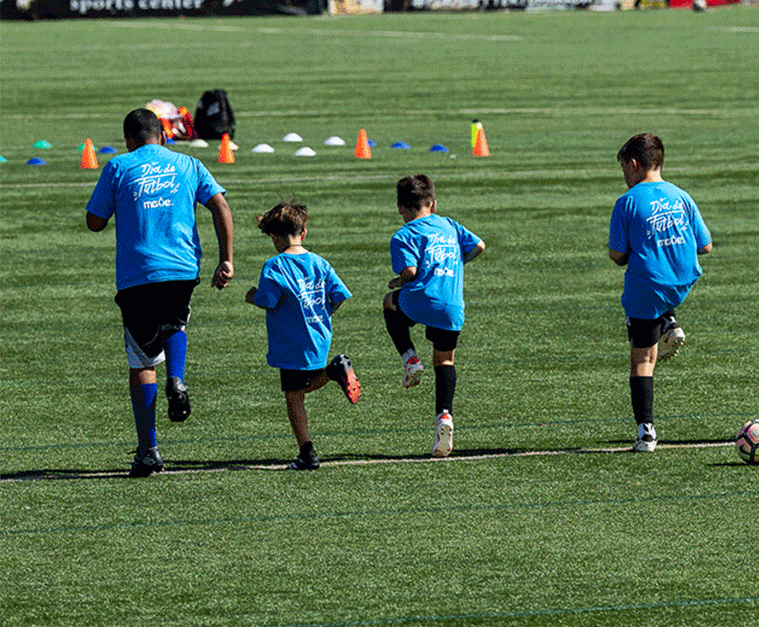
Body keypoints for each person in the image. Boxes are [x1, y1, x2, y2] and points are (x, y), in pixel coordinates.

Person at [86, 108, 234, 477]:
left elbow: (94, 222)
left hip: (138, 274)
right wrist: (226, 259)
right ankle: (178, 377)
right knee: (175, 324)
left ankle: (149, 450)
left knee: (142, 361)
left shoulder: (118, 167)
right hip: (181, 268)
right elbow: (220, 205)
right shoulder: (188, 163)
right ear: (163, 136)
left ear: (128, 141)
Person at [608, 133, 712, 452]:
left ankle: (646, 432)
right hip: (683, 280)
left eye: (625, 168)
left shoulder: (627, 201)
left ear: (635, 164)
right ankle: (669, 319)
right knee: (660, 294)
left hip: (648, 286)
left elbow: (617, 255)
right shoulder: (682, 196)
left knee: (643, 360)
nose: (625, 176)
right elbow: (705, 245)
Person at [245, 200, 359, 470]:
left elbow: (268, 300)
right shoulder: (319, 262)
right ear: (303, 232)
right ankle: (335, 370)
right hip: (319, 335)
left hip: (291, 341)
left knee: (294, 396)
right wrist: (325, 314)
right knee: (303, 387)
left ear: (274, 237)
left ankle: (307, 453)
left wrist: (253, 297)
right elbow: (339, 294)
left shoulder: (274, 266)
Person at [382, 174, 485, 457]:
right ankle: (445, 416)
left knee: (390, 302)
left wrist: (397, 282)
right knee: (445, 360)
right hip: (451, 305)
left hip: (420, 299)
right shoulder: (449, 225)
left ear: (401, 208)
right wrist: (454, 263)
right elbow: (479, 245)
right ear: (434, 204)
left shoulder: (404, 234)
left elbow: (411, 273)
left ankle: (409, 358)